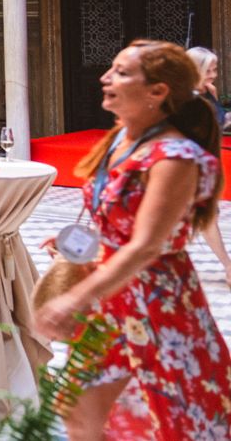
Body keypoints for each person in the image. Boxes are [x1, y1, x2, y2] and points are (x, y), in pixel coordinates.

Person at [34, 40, 230, 441]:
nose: (105, 78)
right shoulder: (123, 138)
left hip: (153, 300)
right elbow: (121, 216)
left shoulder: (175, 156)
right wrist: (85, 240)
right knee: (77, 408)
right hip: (110, 295)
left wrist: (73, 297)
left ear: (158, 92)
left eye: (121, 72)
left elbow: (147, 245)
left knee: (167, 416)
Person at [186, 46, 231, 283]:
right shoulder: (183, 99)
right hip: (190, 166)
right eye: (210, 70)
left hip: (208, 162)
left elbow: (220, 121)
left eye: (215, 69)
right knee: (207, 216)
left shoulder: (209, 91)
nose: (214, 74)